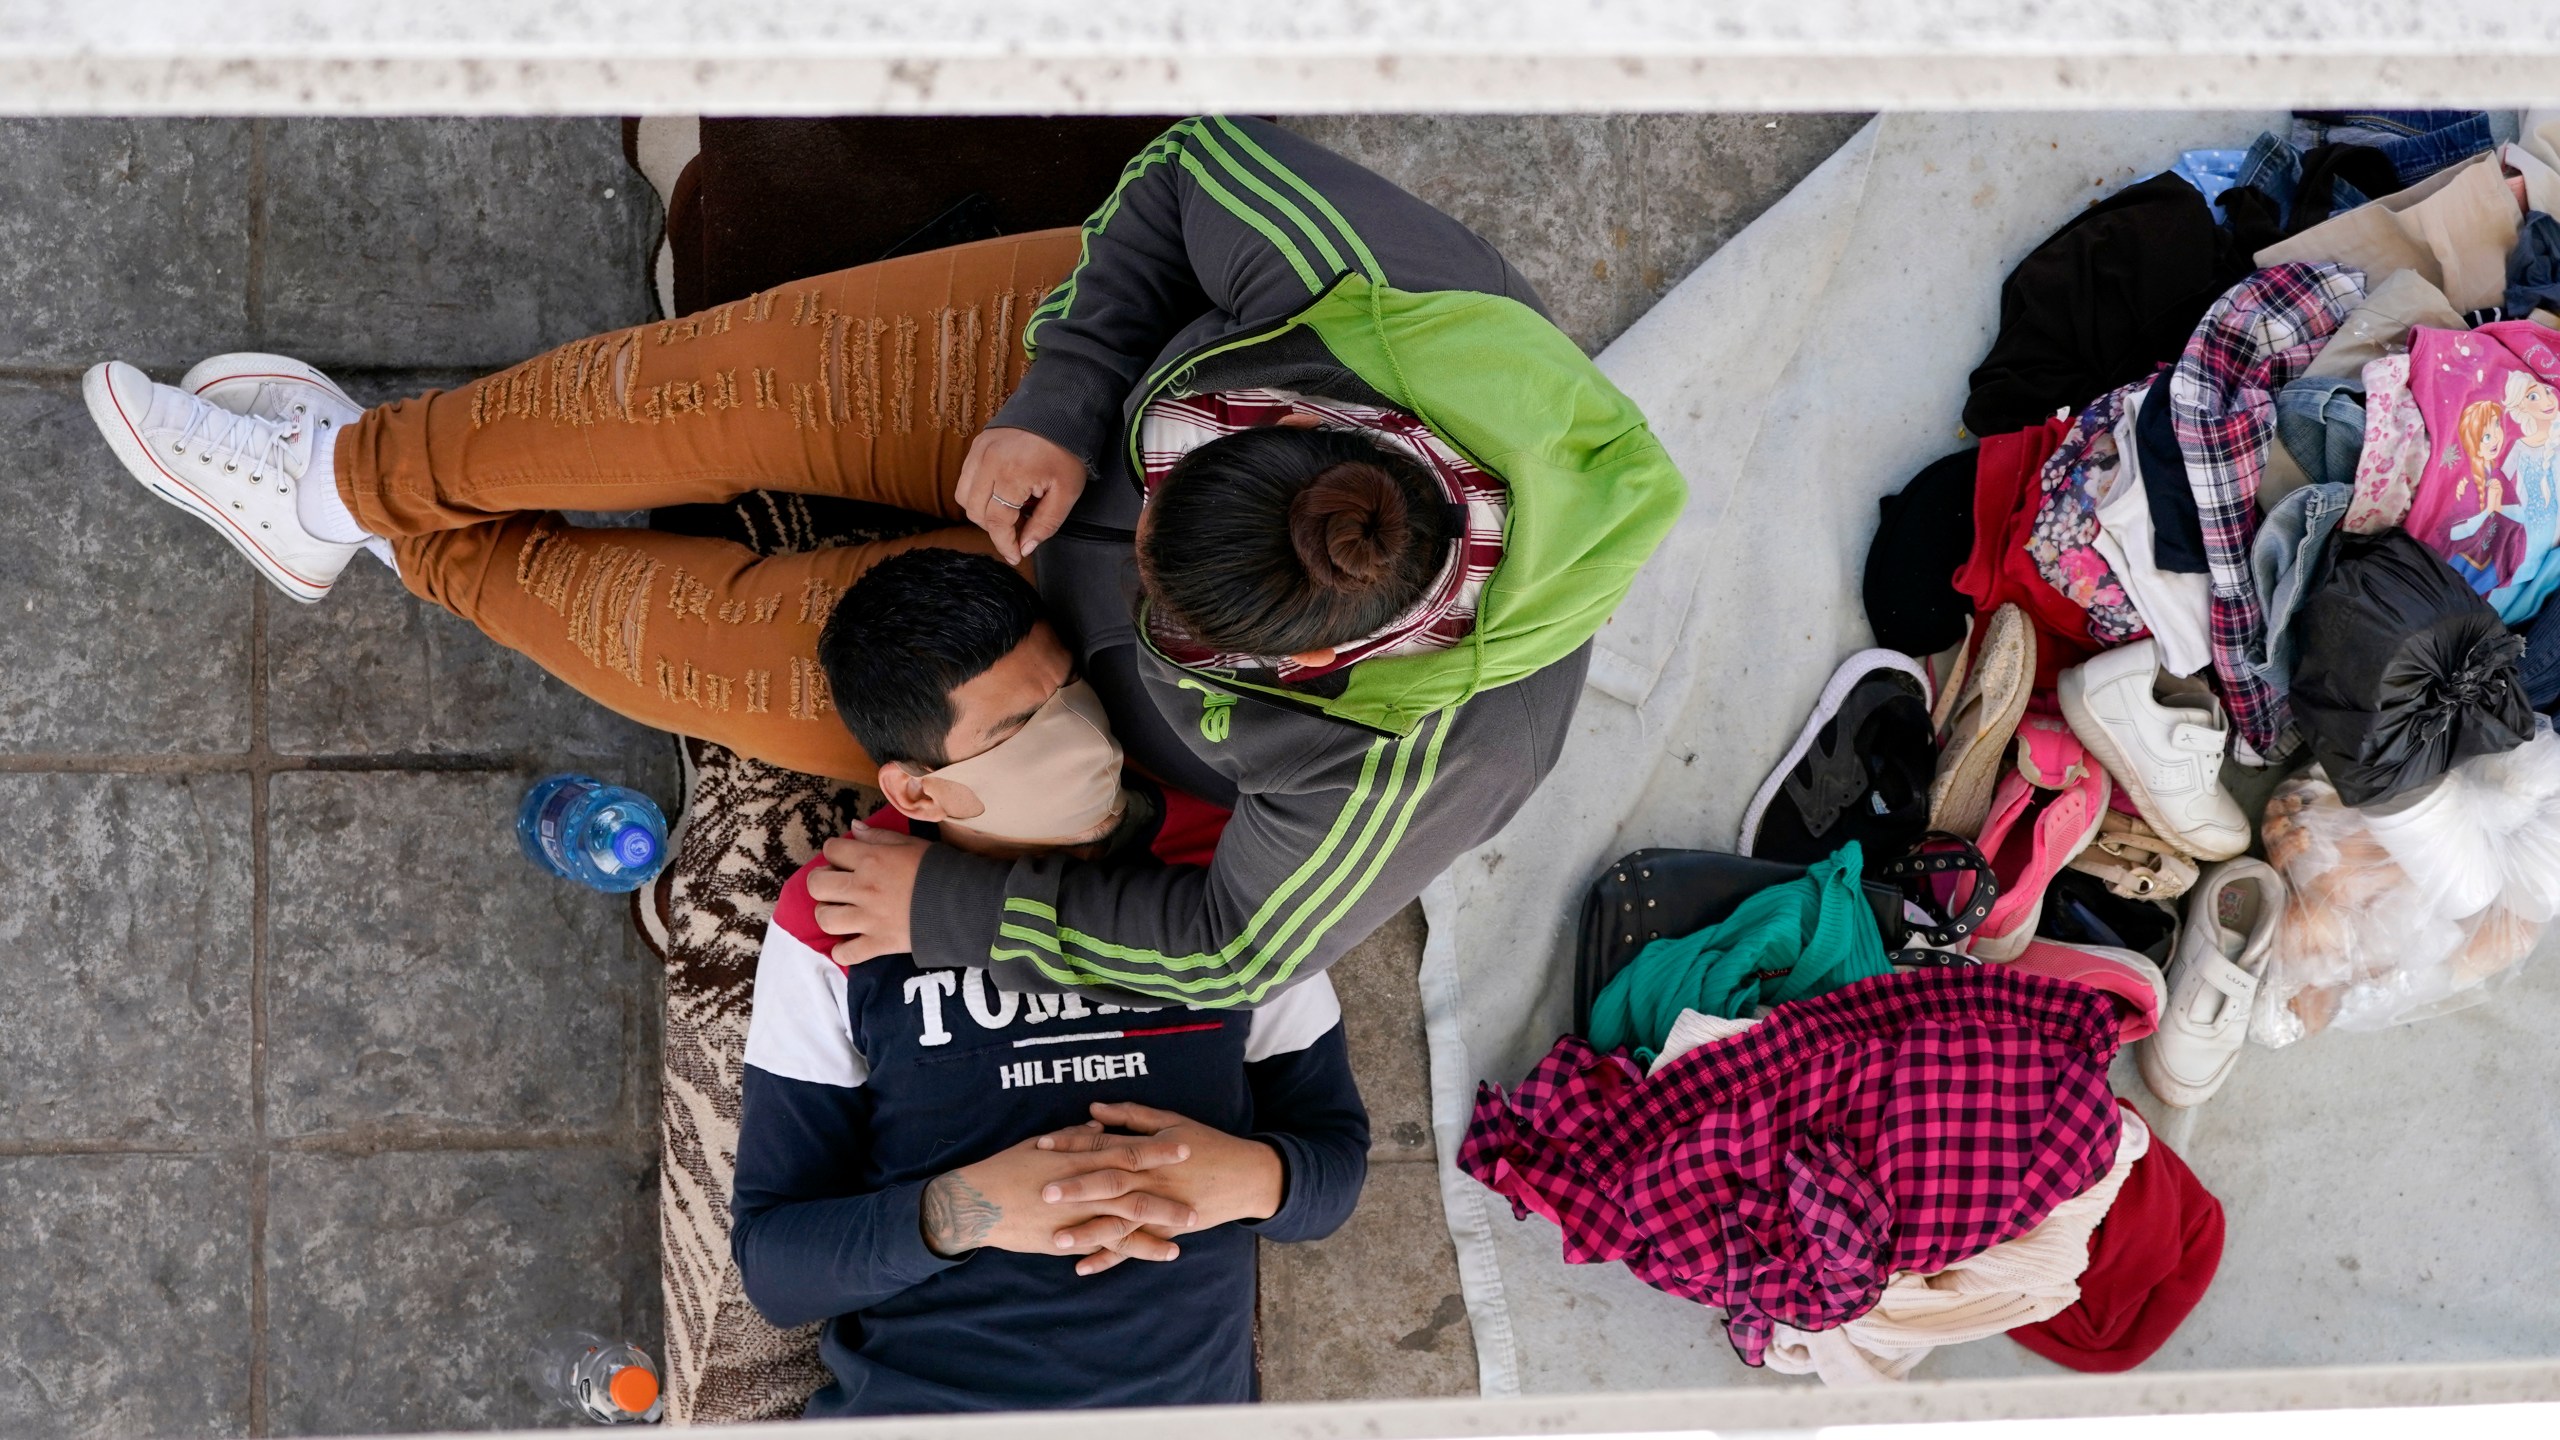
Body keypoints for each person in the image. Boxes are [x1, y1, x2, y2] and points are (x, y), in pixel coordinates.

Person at [81, 116, 1685, 1008]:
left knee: (704, 648)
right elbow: (1188, 173)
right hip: (1062, 389)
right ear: (1281, 411)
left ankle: (374, 539)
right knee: (716, 391)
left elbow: (1244, 952)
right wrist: (1065, 407)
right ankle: (344, 474)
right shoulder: (1390, 296)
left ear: (1315, 678)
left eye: (1185, 638)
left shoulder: (1434, 757)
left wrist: (970, 912)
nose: (1121, 571)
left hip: (1037, 705)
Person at [730, 548, 1365, 1415]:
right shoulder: (838, 915)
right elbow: (776, 1267)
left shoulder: (1230, 870)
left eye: (1068, 690)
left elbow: (1331, 1164)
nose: (1077, 737)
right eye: (1015, 733)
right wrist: (965, 1210)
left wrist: (1252, 1180)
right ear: (920, 792)